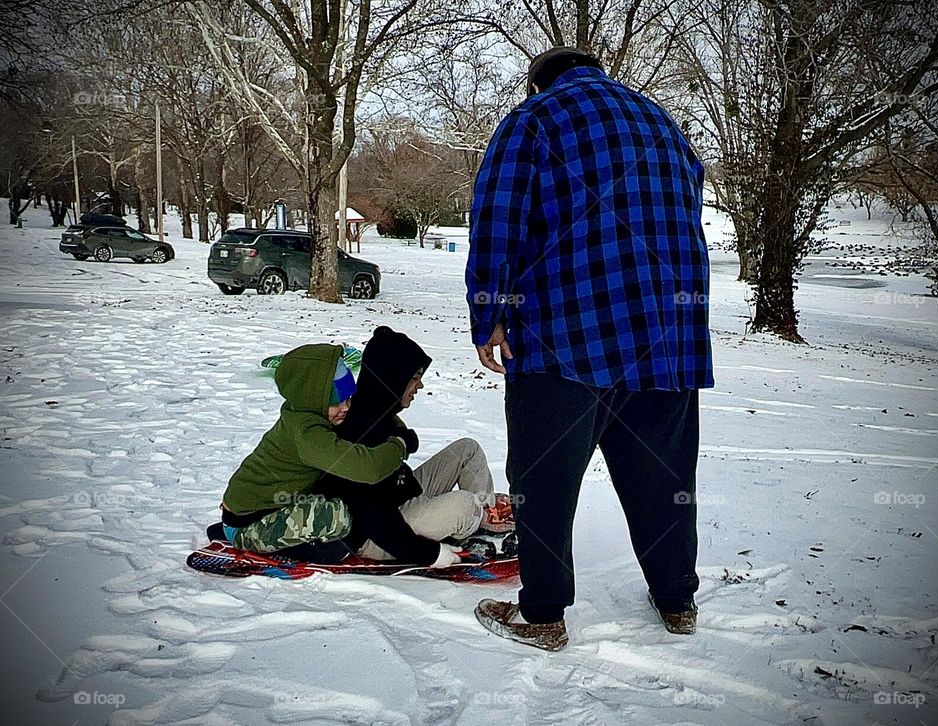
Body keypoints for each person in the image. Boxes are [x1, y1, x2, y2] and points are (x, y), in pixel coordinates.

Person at [466, 47, 714, 651]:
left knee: (543, 477)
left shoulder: (535, 119)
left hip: (567, 335)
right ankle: (677, 600)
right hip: (666, 340)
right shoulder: (663, 124)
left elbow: (499, 218)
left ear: (538, 81)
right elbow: (686, 214)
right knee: (663, 477)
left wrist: (489, 312)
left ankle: (543, 615)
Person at [316, 325, 497, 567]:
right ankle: (472, 525)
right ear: (393, 378)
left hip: (399, 499)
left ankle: (483, 520)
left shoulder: (377, 409)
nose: (419, 386)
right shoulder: (358, 429)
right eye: (414, 378)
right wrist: (427, 553)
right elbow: (372, 515)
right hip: (376, 536)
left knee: (467, 449)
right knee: (466, 504)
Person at [217, 343, 413, 556]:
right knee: (339, 517)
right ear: (315, 399)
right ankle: (304, 550)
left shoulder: (310, 411)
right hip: (247, 524)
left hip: (266, 507)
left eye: (348, 398)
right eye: (338, 402)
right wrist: (399, 445)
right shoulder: (308, 433)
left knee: (343, 499)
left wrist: (397, 429)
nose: (346, 407)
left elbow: (371, 413)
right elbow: (368, 468)